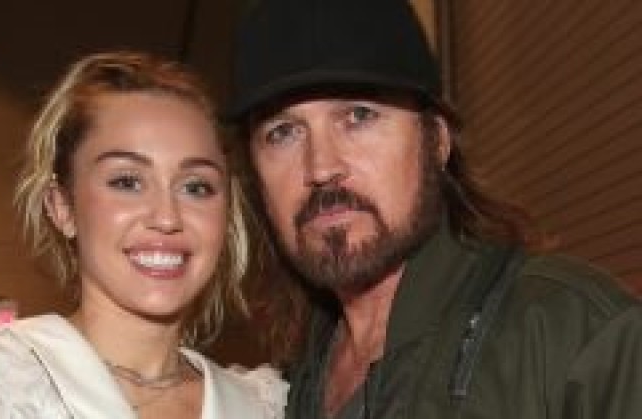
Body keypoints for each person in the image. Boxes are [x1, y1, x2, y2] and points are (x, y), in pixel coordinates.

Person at [225, 0, 642, 418]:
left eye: (359, 115)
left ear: (437, 142)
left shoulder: (576, 338)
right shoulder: (287, 387)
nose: (321, 167)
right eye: (282, 132)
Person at [0, 51, 287, 418]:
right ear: (61, 207)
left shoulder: (261, 405)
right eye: (127, 181)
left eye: (196, 187)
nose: (166, 217)